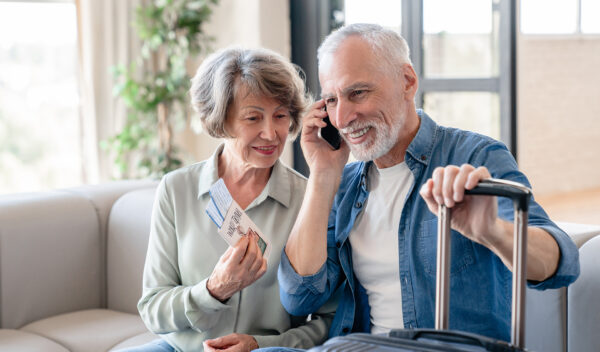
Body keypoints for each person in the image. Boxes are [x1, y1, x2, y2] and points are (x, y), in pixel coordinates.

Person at [274, 23, 580, 347]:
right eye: (331, 100)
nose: (342, 117)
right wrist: (322, 174)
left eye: (357, 93)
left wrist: (491, 229)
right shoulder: (344, 186)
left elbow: (562, 264)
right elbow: (300, 297)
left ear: (407, 81)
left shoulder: (474, 157)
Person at [121, 47, 333, 352]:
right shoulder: (176, 189)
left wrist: (259, 344)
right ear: (221, 121)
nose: (271, 134)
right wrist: (213, 289)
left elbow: (331, 320)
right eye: (253, 118)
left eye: (280, 116)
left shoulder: (308, 199)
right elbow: (154, 308)